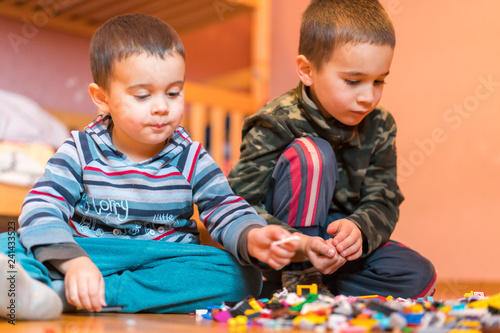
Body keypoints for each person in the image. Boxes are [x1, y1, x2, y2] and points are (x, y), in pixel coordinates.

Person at [0, 13, 299, 321]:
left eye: (173, 93)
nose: (161, 107)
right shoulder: (79, 149)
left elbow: (225, 207)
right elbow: (41, 206)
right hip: (91, 253)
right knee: (8, 244)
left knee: (243, 277)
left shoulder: (190, 156)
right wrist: (73, 262)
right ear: (102, 98)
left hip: (164, 261)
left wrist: (251, 235)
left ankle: (67, 295)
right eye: (142, 95)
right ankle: (57, 285)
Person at [228, 0, 436, 298]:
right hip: (283, 243)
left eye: (379, 81)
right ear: (307, 70)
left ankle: (317, 286)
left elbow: (383, 198)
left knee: (418, 275)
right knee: (313, 154)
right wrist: (298, 243)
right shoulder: (276, 121)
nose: (368, 97)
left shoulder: (380, 125)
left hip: (333, 247)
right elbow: (240, 201)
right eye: (353, 81)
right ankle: (292, 280)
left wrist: (359, 229)